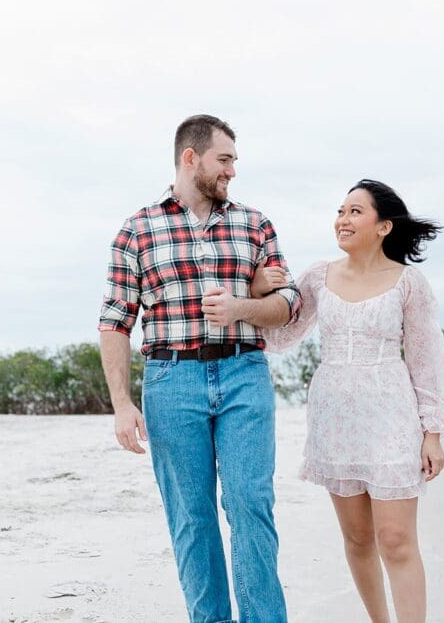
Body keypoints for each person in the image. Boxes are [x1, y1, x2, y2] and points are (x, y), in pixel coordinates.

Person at [98, 114, 301, 623]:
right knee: (192, 518)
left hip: (243, 374)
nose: (232, 171)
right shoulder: (137, 229)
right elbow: (115, 321)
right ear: (191, 158)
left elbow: (289, 302)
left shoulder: (255, 223)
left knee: (251, 506)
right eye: (225, 159)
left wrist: (242, 307)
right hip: (171, 382)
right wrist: (122, 406)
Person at [253, 179, 444, 623]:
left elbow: (427, 358)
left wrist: (433, 433)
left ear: (384, 226)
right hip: (334, 417)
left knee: (397, 539)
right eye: (340, 211)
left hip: (392, 416)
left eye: (355, 212)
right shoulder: (318, 277)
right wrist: (255, 294)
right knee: (359, 538)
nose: (342, 220)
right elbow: (282, 335)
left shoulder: (409, 283)